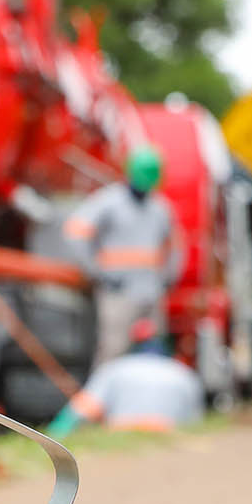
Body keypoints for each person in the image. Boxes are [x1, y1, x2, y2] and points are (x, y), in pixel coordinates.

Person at [64, 144, 182, 368]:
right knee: (114, 350)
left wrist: (169, 276)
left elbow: (176, 245)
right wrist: (96, 271)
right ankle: (102, 401)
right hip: (118, 292)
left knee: (153, 352)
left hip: (151, 291)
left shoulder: (160, 207)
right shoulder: (109, 202)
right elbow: (75, 232)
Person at [55, 319, 205, 434]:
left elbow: (80, 411)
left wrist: (56, 434)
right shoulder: (186, 375)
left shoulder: (115, 369)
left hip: (122, 431)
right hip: (168, 435)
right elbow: (195, 424)